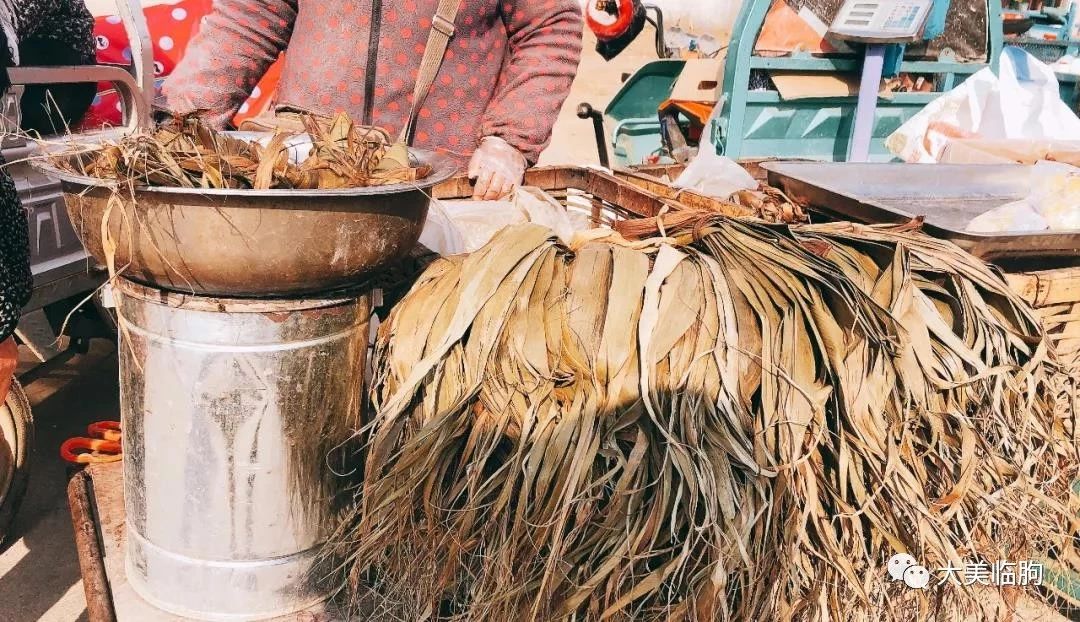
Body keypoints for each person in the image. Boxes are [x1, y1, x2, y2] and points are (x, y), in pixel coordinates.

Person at [163, 0, 584, 200]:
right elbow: (251, 16)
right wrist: (184, 119)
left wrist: (509, 141)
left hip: (439, 185)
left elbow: (551, 28)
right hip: (305, 176)